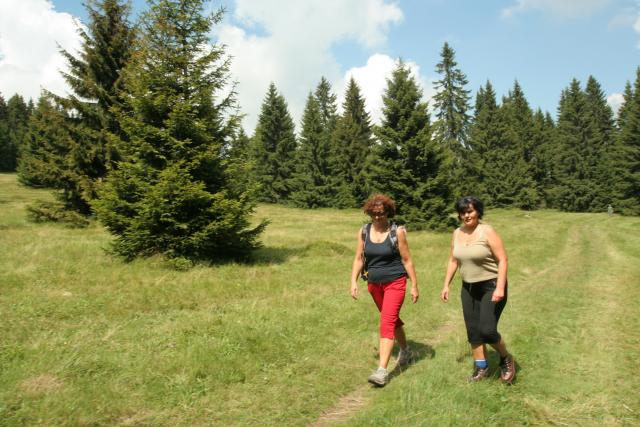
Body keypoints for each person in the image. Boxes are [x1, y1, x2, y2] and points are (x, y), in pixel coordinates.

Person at [440, 196, 516, 383]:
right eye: (462, 212)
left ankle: (506, 358)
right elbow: (453, 260)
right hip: (468, 288)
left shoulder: (487, 231)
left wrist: (500, 288)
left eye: (470, 211)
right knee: (473, 331)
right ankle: (482, 368)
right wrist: (446, 284)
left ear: (478, 212)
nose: (466, 215)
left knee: (487, 330)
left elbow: (503, 260)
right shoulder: (457, 233)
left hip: (491, 286)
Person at [350, 193, 419, 387]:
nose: (377, 216)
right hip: (374, 284)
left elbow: (407, 260)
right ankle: (406, 352)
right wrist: (353, 281)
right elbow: (359, 258)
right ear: (369, 213)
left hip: (395, 282)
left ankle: (381, 371)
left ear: (388, 212)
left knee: (386, 322)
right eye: (374, 213)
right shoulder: (364, 231)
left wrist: (414, 285)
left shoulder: (397, 232)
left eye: (381, 213)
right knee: (392, 319)